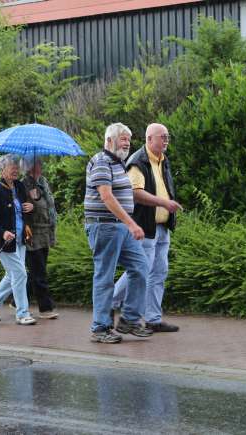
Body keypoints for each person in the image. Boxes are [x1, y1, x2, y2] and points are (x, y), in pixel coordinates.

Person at [84, 123, 153, 343]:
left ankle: (129, 320)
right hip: (104, 226)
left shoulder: (119, 163)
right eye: (123, 139)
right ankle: (100, 328)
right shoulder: (101, 162)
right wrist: (132, 224)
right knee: (104, 276)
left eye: (128, 139)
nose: (127, 143)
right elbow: (106, 197)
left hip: (120, 227)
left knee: (141, 266)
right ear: (109, 140)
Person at [112, 123, 183, 332]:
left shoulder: (163, 160)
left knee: (159, 272)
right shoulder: (138, 162)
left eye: (168, 136)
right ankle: (109, 302)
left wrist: (166, 208)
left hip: (162, 227)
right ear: (149, 139)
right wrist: (164, 203)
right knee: (140, 269)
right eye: (163, 136)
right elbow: (135, 192)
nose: (167, 140)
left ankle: (153, 318)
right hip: (145, 226)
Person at [0, 154, 36, 325]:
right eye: (11, 167)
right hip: (4, 242)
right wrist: (2, 232)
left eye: (16, 166)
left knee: (12, 274)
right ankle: (22, 313)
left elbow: (22, 208)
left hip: (20, 239)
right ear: (2, 170)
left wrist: (30, 206)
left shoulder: (19, 186)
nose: (15, 169)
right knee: (20, 273)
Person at [21, 157, 59, 319]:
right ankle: (45, 308)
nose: (41, 165)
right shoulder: (24, 184)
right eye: (37, 163)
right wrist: (29, 206)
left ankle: (13, 300)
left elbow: (48, 204)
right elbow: (20, 204)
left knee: (36, 271)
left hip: (46, 231)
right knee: (39, 272)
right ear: (30, 166)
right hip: (32, 232)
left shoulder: (43, 181)